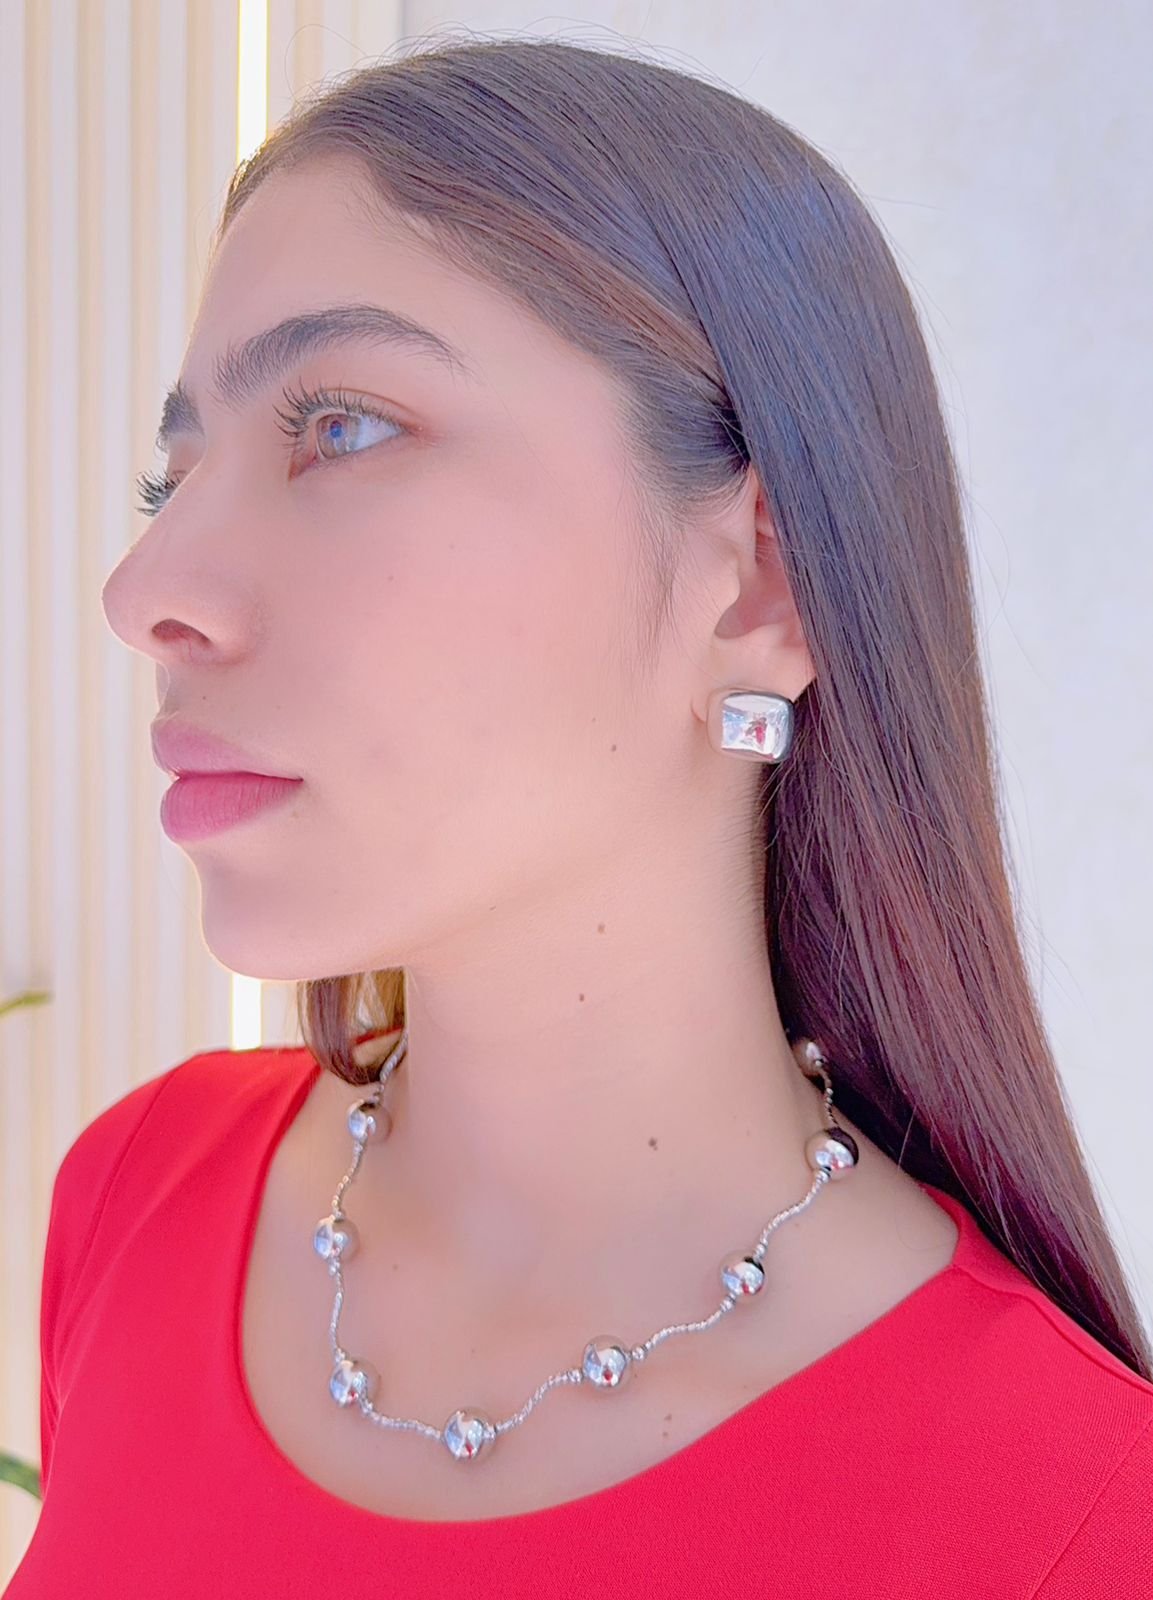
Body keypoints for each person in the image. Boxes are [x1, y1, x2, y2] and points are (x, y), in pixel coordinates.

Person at [11, 34, 1152, 1599]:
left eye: (340, 428)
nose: (147, 591)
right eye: (173, 477)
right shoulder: (137, 1198)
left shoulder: (1067, 1518)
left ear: (758, 584)